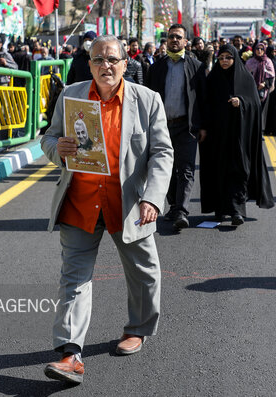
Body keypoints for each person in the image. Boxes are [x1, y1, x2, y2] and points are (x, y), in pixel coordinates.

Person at [40, 34, 173, 385]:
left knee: (144, 272)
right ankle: (70, 353)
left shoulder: (147, 100)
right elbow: (48, 139)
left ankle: (138, 328)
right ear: (90, 65)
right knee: (74, 279)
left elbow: (162, 153)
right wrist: (60, 149)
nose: (105, 66)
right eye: (98, 60)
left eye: (112, 59)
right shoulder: (72, 95)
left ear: (125, 64)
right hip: (81, 203)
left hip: (128, 204)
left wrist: (153, 198)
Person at [199, 44, 275, 225]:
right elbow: (204, 105)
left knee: (239, 170)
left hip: (239, 136)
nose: (224, 61)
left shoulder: (245, 79)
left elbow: (255, 105)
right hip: (217, 136)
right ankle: (219, 208)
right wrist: (203, 127)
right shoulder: (213, 79)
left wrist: (240, 101)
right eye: (222, 57)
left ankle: (237, 210)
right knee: (218, 170)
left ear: (235, 59)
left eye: (228, 57)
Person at [145, 23, 207, 230]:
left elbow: (203, 99)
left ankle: (182, 211)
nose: (174, 40)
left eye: (178, 37)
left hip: (186, 127)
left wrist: (203, 126)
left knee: (186, 169)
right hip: (161, 127)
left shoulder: (196, 67)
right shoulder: (157, 66)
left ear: (185, 42)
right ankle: (173, 206)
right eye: (171, 37)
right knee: (166, 169)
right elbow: (147, 97)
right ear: (167, 40)